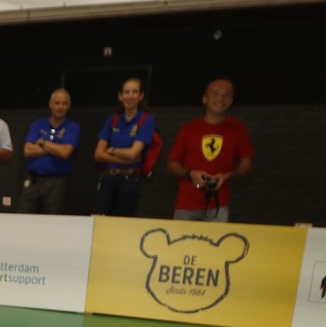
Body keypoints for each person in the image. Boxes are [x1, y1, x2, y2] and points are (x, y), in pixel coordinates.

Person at [166, 78, 254, 222]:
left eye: (226, 94)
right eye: (215, 93)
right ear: (205, 99)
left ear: (231, 100)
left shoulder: (239, 129)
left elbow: (247, 164)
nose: (221, 98)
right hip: (186, 204)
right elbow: (172, 165)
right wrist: (191, 174)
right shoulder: (189, 128)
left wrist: (226, 176)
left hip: (219, 205)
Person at [94, 77, 156, 216]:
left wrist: (112, 150)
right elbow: (98, 154)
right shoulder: (113, 119)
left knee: (123, 222)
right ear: (120, 96)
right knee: (100, 220)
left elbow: (133, 153)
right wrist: (124, 158)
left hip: (129, 180)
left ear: (141, 96)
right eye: (127, 92)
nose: (130, 96)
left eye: (134, 92)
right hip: (108, 179)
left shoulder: (146, 119)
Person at [19, 88, 80, 214]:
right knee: (24, 217)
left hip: (56, 183)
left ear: (69, 106)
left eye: (64, 103)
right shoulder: (38, 124)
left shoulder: (73, 127)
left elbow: (65, 153)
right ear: (50, 104)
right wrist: (56, 147)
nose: (60, 107)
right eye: (57, 103)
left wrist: (43, 142)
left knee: (52, 220)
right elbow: (27, 150)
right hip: (33, 181)